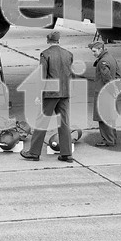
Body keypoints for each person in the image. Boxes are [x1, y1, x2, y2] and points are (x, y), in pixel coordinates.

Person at [21, 31, 75, 162]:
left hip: (51, 93)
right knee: (64, 123)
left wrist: (39, 94)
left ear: (48, 41)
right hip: (65, 92)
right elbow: (70, 74)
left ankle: (34, 152)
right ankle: (66, 154)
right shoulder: (69, 54)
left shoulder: (45, 54)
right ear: (58, 40)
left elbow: (42, 76)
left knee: (41, 122)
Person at [89, 41, 120, 147]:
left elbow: (107, 78)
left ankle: (108, 140)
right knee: (111, 117)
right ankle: (112, 138)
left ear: (100, 50)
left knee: (104, 117)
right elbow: (118, 74)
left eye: (94, 51)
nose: (93, 53)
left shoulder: (103, 62)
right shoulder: (111, 58)